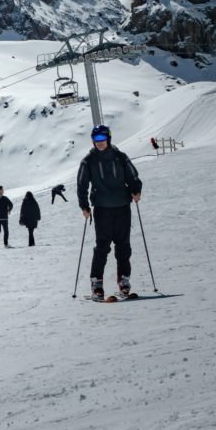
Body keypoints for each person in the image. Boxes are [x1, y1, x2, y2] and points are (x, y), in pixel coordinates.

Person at [77, 124, 143, 300]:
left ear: (108, 138)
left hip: (122, 206)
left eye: (102, 139)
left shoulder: (120, 157)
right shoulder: (88, 161)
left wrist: (136, 191)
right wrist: (84, 206)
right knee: (102, 247)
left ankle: (124, 281)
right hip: (102, 208)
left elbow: (133, 177)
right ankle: (96, 284)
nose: (99, 142)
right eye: (96, 139)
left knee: (123, 246)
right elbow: (82, 185)